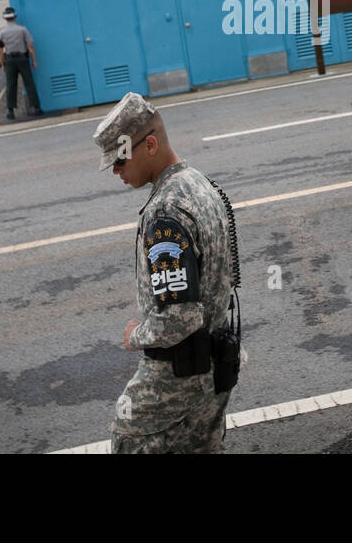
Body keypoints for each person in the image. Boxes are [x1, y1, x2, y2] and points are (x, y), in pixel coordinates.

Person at [94, 92, 235, 453]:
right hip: (214, 369)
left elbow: (178, 317)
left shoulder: (166, 212)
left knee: (129, 439)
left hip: (175, 379)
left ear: (150, 144)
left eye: (120, 159)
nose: (115, 170)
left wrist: (135, 335)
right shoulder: (201, 184)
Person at [0, 6, 40, 120]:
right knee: (29, 82)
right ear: (15, 16)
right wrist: (34, 60)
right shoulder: (22, 29)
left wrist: (2, 64)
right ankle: (36, 108)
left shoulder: (1, 32)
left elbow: (0, 50)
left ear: (5, 18)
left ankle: (10, 111)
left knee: (10, 85)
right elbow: (30, 46)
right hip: (22, 58)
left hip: (9, 60)